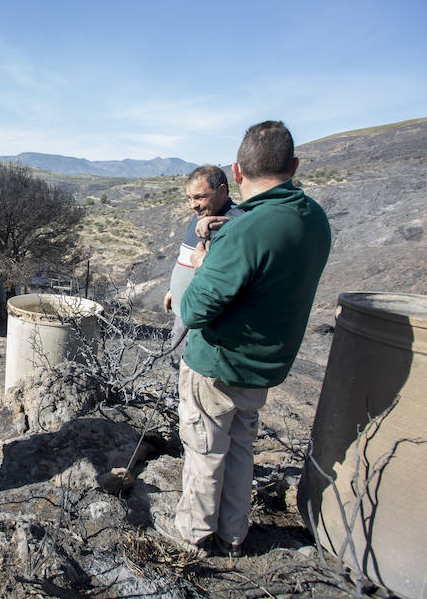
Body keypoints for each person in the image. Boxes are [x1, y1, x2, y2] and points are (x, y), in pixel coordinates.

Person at [157, 121, 331, 557]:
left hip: (217, 363)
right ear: (293, 166)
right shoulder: (314, 220)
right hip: (263, 366)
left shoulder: (244, 229)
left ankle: (193, 537)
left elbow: (193, 309)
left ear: (237, 172)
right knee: (240, 449)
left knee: (205, 450)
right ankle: (233, 534)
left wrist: (199, 263)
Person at [163, 166, 241, 383]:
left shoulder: (233, 220)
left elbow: (247, 229)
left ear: (222, 191)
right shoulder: (201, 215)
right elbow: (185, 257)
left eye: (199, 197)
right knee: (177, 363)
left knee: (192, 372)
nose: (192, 204)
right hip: (183, 308)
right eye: (189, 197)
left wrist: (225, 224)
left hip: (200, 315)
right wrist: (173, 290)